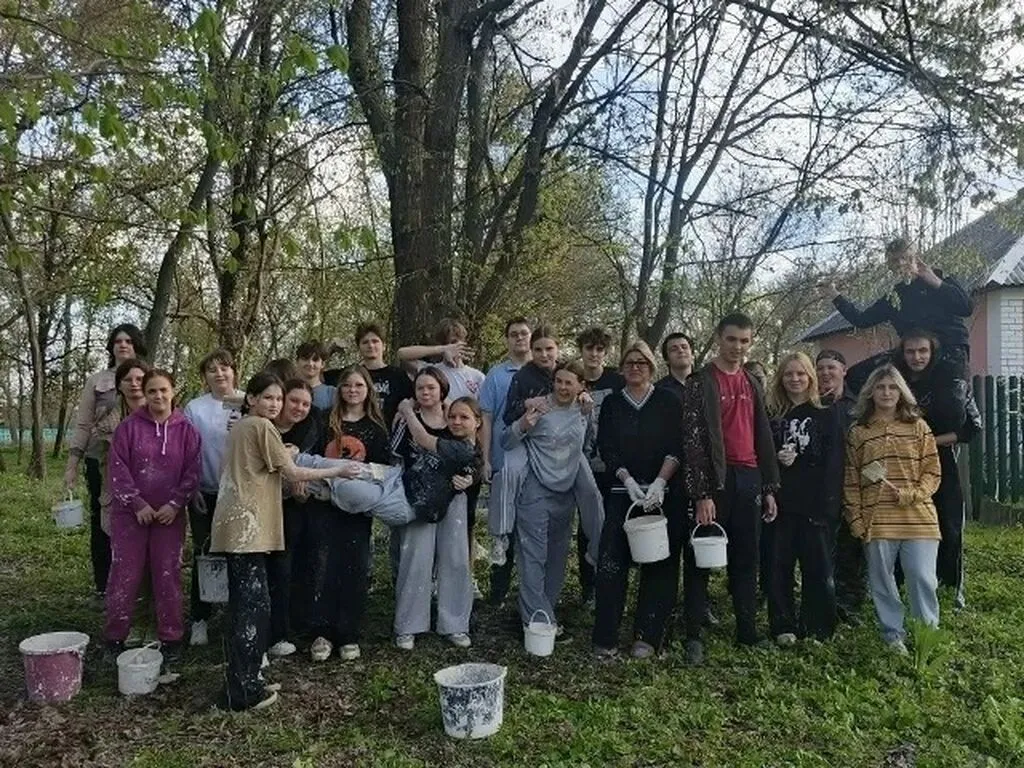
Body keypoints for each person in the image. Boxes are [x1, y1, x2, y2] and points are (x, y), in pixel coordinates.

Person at [210, 373, 357, 712]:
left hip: (239, 526)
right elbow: (293, 473)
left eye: (278, 398)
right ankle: (241, 690)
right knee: (251, 609)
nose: (275, 404)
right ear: (252, 399)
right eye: (268, 397)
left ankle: (248, 677)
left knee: (251, 604)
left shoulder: (243, 426)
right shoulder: (261, 426)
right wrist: (337, 470)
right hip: (246, 529)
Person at [681, 312, 780, 665]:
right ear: (719, 338)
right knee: (700, 558)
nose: (738, 347)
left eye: (744, 341)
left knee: (747, 556)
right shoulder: (700, 382)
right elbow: (693, 441)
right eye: (732, 339)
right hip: (715, 480)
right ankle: (693, 634)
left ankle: (747, 631)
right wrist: (702, 493)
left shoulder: (752, 381)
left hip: (749, 476)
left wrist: (768, 486)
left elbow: (763, 433)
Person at [592, 341, 684, 660]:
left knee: (659, 565)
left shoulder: (668, 401)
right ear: (621, 368)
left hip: (661, 494)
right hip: (623, 493)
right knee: (611, 563)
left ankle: (648, 634)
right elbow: (607, 447)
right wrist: (626, 479)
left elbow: (677, 445)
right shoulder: (613, 404)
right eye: (629, 362)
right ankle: (606, 636)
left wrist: (661, 480)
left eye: (641, 363)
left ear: (652, 367)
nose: (635, 367)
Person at [844, 364, 942, 655]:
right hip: (877, 520)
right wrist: (856, 518)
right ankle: (893, 636)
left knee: (922, 577)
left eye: (892, 387)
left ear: (902, 392)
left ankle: (926, 634)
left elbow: (932, 471)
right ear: (870, 392)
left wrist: (913, 494)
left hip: (919, 517)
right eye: (880, 387)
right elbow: (851, 480)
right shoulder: (859, 432)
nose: (886, 393)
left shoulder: (919, 427)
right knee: (882, 582)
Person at [105, 370, 201, 663]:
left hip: (169, 517)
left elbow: (192, 471)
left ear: (173, 391)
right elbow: (117, 470)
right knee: (125, 574)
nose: (158, 396)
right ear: (144, 395)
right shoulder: (128, 428)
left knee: (167, 574)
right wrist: (137, 504)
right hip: (130, 516)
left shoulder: (187, 431)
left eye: (163, 390)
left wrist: (175, 504)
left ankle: (171, 637)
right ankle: (114, 637)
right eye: (152, 391)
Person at [503, 360, 597, 632]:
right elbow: (506, 441)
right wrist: (523, 424)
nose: (562, 387)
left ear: (581, 386)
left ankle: (545, 614)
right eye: (558, 381)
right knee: (533, 557)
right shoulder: (539, 407)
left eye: (569, 383)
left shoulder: (584, 409)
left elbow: (587, 444)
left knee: (557, 557)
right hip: (535, 492)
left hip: (565, 494)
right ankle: (535, 620)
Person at [391, 373, 482, 651]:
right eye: (419, 387)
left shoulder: (455, 419)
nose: (425, 392)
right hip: (418, 498)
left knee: (455, 559)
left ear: (442, 389)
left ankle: (454, 623)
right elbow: (395, 457)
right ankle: (408, 625)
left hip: (453, 499)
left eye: (431, 387)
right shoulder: (405, 420)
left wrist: (471, 478)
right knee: (415, 559)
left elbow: (475, 456)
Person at [312, 365, 391, 662]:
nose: (352, 390)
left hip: (358, 508)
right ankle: (322, 632)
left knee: (355, 567)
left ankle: (348, 633)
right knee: (324, 565)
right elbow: (312, 458)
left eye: (358, 385)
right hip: (324, 503)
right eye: (347, 385)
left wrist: (360, 480)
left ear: (368, 389)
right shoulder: (325, 421)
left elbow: (384, 469)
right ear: (339, 390)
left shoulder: (376, 427)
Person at [64, 323, 148, 601]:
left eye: (128, 341)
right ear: (111, 346)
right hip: (101, 458)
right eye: (117, 341)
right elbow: (84, 423)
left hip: (143, 462)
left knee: (140, 518)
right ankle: (105, 585)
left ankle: (140, 586)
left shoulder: (149, 377)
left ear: (137, 345)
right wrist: (72, 464)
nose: (123, 345)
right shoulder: (97, 380)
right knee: (104, 518)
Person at [823, 237, 973, 393]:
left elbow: (966, 308)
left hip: (949, 350)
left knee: (950, 399)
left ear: (915, 257)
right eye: (895, 261)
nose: (901, 263)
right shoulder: (894, 297)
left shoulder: (940, 278)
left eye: (905, 258)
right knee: (856, 375)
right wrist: (834, 294)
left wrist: (935, 282)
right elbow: (861, 320)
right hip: (912, 356)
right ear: (890, 266)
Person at [896, 330, 977, 610]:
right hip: (902, 463)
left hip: (941, 461)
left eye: (922, 351)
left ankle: (950, 586)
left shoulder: (950, 383)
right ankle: (900, 582)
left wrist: (928, 442)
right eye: (910, 351)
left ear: (932, 353)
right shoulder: (895, 382)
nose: (916, 357)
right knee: (902, 521)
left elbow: (971, 428)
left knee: (947, 523)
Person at [766, 352, 842, 646]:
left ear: (810, 377)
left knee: (818, 568)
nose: (795, 379)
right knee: (778, 566)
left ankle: (818, 627)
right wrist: (776, 459)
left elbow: (835, 461)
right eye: (788, 374)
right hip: (780, 503)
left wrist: (829, 504)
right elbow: (760, 454)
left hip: (815, 503)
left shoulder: (826, 412)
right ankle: (782, 624)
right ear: (780, 378)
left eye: (800, 373)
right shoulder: (773, 414)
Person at [182, 348, 244, 647]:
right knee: (204, 553)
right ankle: (200, 618)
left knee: (239, 555)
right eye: (212, 370)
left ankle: (237, 615)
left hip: (241, 493)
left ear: (234, 371)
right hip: (205, 492)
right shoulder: (195, 408)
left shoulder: (248, 401)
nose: (219, 374)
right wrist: (192, 488)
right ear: (204, 377)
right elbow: (187, 451)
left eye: (224, 368)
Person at [266, 379, 327, 659]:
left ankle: (302, 626)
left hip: (303, 506)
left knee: (305, 563)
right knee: (278, 568)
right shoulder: (264, 426)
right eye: (294, 401)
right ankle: (276, 631)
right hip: (267, 507)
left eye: (305, 404)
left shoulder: (311, 429)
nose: (299, 408)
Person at [815, 349, 866, 625]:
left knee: (851, 548)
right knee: (823, 548)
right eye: (821, 368)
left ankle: (850, 603)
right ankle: (824, 601)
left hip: (853, 488)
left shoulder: (858, 407)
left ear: (844, 371)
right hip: (821, 489)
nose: (826, 373)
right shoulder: (812, 405)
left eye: (831, 368)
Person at [575, 327, 624, 604]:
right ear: (581, 350)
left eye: (599, 349)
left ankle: (611, 581)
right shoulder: (572, 378)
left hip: (612, 465)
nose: (594, 354)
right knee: (587, 526)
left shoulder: (616, 380)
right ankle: (588, 586)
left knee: (612, 525)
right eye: (589, 348)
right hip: (582, 464)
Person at [397, 318, 485, 401]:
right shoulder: (432, 371)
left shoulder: (477, 376)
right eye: (445, 343)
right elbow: (401, 354)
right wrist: (442, 349)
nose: (450, 347)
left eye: (454, 342)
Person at [348, 321, 414, 425]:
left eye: (375, 341)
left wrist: (404, 411)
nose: (370, 345)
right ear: (359, 347)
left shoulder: (398, 375)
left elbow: (415, 399)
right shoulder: (352, 375)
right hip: (357, 431)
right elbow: (320, 376)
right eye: (365, 342)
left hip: (389, 431)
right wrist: (331, 348)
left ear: (384, 346)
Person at [295, 340, 337, 411]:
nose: (310, 363)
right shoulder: (286, 390)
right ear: (297, 361)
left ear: (322, 364)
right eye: (305, 359)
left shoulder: (332, 393)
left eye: (315, 359)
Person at [656, 332, 696, 400]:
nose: (681, 350)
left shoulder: (709, 385)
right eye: (674, 349)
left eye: (684, 347)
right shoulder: (657, 391)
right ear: (667, 359)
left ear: (692, 355)